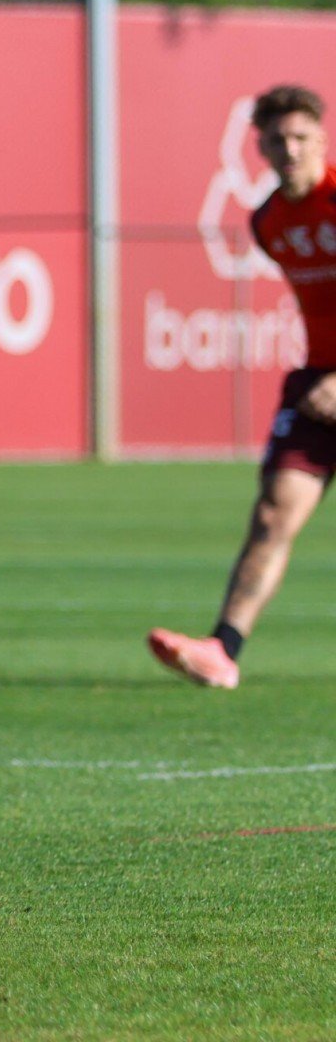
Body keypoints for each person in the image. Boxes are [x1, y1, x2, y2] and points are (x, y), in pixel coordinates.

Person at [151, 85, 333, 689]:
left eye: (301, 137)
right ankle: (222, 651)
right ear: (259, 146)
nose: (290, 150)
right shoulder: (268, 221)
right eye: (278, 140)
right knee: (273, 511)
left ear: (322, 139)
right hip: (316, 385)